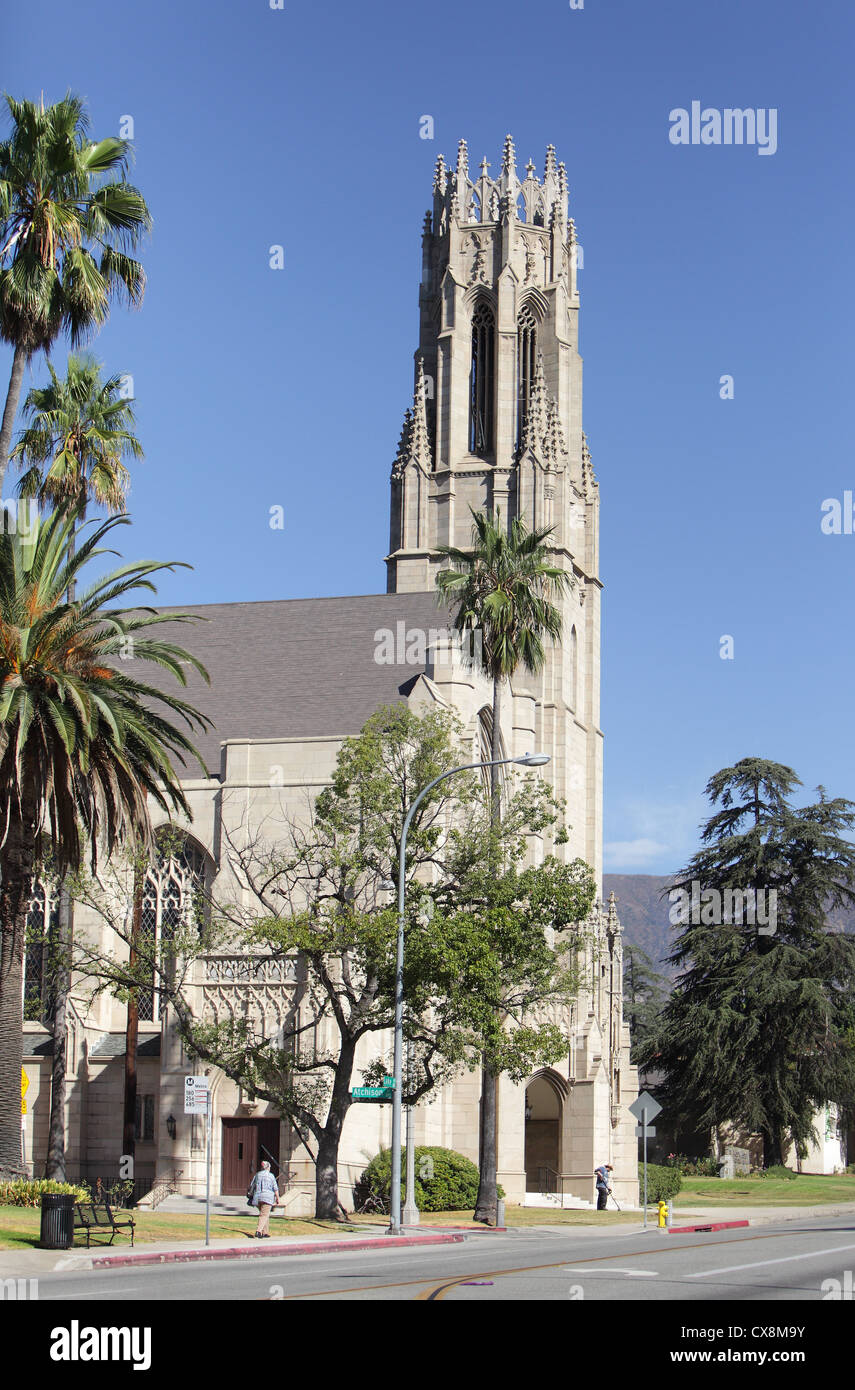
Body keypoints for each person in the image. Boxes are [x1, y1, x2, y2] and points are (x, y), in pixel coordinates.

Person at [248, 1159, 280, 1237]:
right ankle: (258, 1231)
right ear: (268, 1167)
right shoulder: (271, 1176)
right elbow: (275, 1188)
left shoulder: (257, 1175)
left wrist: (250, 1195)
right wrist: (277, 1198)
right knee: (264, 1215)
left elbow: (252, 1186)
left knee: (265, 1214)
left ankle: (265, 1232)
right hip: (268, 1197)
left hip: (257, 1197)